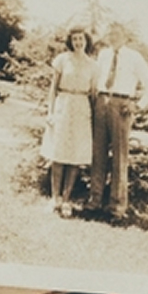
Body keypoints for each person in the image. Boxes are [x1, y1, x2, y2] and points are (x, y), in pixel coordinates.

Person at [87, 23, 148, 220]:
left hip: (122, 105)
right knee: (98, 154)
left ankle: (116, 207)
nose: (113, 37)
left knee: (119, 157)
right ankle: (94, 201)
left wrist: (137, 106)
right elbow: (95, 80)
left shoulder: (134, 57)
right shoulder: (103, 54)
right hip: (102, 102)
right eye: (110, 34)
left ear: (125, 37)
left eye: (117, 34)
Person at [40, 28, 97, 216]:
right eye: (74, 39)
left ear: (86, 41)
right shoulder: (62, 60)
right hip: (63, 106)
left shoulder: (92, 65)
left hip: (81, 108)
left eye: (81, 39)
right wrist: (50, 112)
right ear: (70, 42)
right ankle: (54, 198)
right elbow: (53, 89)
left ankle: (66, 200)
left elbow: (94, 94)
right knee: (58, 153)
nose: (78, 42)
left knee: (75, 156)